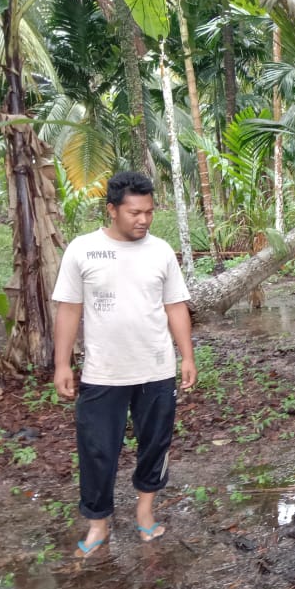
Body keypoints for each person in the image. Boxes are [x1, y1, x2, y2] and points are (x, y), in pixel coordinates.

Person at [53, 172, 197, 558]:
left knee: (155, 444)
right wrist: (62, 363)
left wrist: (187, 355)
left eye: (149, 212)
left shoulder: (161, 251)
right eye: (135, 212)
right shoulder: (82, 250)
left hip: (156, 368)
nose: (144, 220)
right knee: (97, 449)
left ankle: (145, 511)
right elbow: (69, 308)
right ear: (112, 209)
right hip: (104, 372)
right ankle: (98, 523)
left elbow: (175, 306)